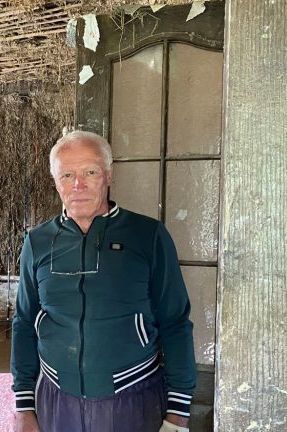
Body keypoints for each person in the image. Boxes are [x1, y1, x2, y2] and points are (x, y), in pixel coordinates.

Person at [11, 131, 196, 432]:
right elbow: (24, 322)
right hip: (57, 399)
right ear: (55, 181)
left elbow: (175, 323)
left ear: (108, 175)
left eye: (90, 172)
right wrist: (23, 405)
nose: (78, 185)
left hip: (134, 397)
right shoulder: (39, 241)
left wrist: (178, 414)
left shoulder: (147, 236)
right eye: (67, 174)